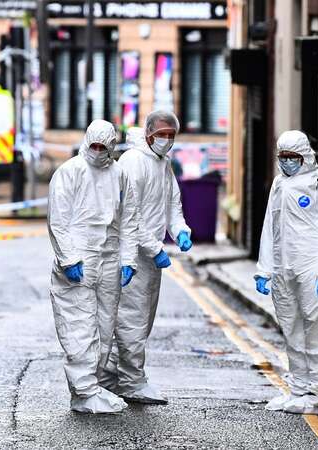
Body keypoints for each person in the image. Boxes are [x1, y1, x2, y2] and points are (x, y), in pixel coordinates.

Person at [47, 119, 139, 414]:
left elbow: (128, 220)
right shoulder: (70, 172)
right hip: (80, 259)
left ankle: (92, 386)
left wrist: (128, 259)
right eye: (94, 146)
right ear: (86, 142)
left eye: (104, 147)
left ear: (113, 146)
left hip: (109, 257)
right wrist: (68, 259)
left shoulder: (119, 174)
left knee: (104, 325)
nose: (98, 152)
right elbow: (58, 221)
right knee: (79, 325)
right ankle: (84, 391)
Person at [100, 111, 192, 405]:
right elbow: (129, 217)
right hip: (131, 256)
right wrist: (155, 248)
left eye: (171, 135)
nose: (166, 140)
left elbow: (172, 205)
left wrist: (180, 231)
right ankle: (131, 381)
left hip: (150, 257)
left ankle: (111, 376)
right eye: (162, 134)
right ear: (149, 133)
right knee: (132, 320)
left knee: (142, 319)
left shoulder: (162, 163)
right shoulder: (133, 162)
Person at [254, 130, 318, 415]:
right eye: (282, 157)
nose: (287, 162)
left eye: (292, 157)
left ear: (305, 156)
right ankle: (299, 389)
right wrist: (264, 269)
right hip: (283, 268)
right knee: (292, 330)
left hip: (311, 269)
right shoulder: (279, 184)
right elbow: (270, 227)